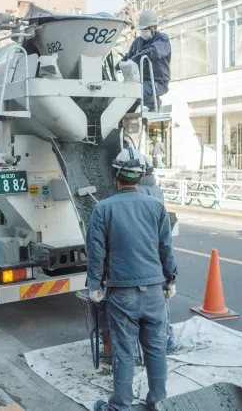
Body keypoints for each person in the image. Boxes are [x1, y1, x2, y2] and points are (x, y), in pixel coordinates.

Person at [86, 147, 177, 411]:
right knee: (156, 350)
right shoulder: (156, 207)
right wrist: (170, 280)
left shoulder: (102, 209)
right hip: (154, 292)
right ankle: (158, 402)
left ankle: (120, 406)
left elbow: (95, 252)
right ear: (140, 178)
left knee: (124, 353)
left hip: (122, 293)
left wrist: (94, 286)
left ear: (116, 176)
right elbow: (166, 249)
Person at [139, 155, 176, 350]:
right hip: (156, 253)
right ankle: (165, 335)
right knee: (160, 296)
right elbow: (165, 242)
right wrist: (171, 274)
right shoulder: (156, 190)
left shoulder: (138, 191)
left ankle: (142, 337)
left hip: (140, 253)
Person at [116, 10, 171, 112]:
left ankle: (154, 102)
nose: (143, 32)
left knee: (136, 92)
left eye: (145, 29)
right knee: (127, 100)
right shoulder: (138, 41)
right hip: (140, 82)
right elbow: (128, 57)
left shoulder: (162, 39)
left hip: (158, 82)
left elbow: (154, 52)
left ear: (154, 28)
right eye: (141, 29)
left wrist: (136, 58)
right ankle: (124, 120)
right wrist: (118, 65)